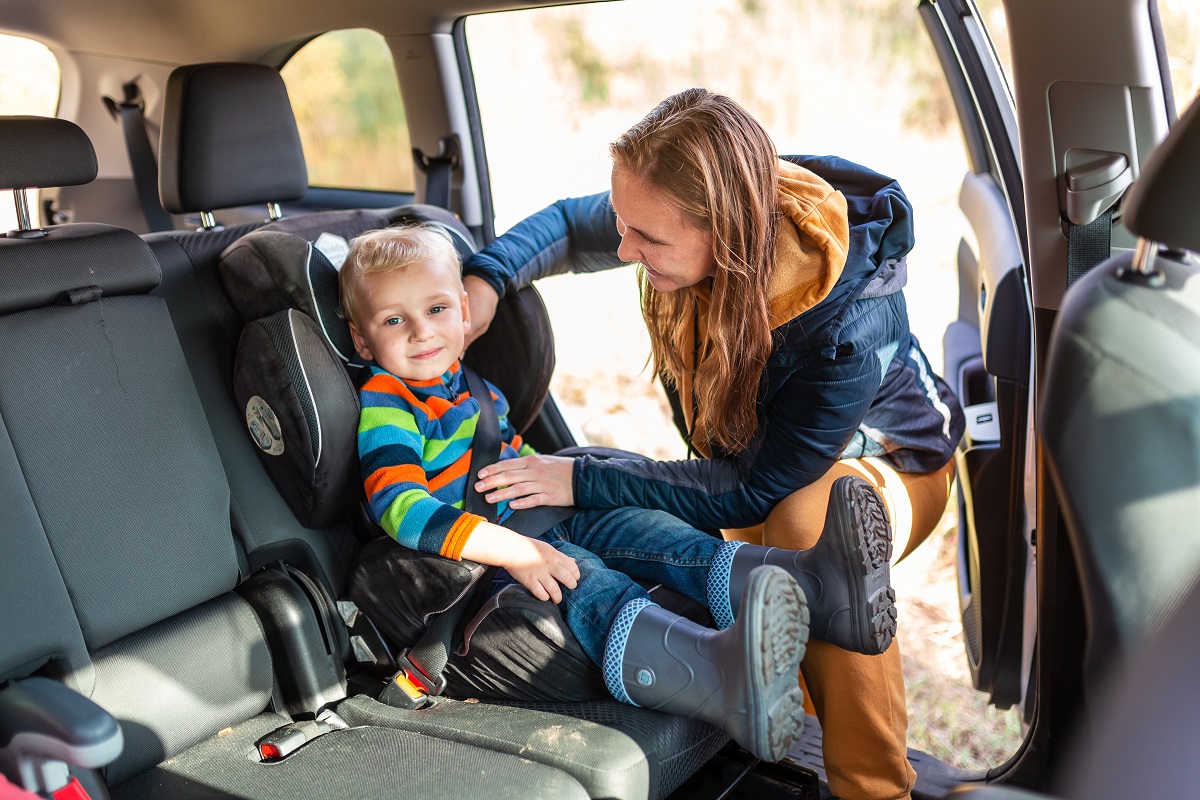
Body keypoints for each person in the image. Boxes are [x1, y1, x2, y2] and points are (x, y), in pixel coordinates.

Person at [463, 89, 966, 800]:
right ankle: (791, 749)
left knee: (804, 523)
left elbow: (751, 487)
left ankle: (873, 788)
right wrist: (486, 280)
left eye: (650, 241)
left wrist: (582, 483)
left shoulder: (847, 322)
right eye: (624, 223)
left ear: (725, 235)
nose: (624, 250)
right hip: (761, 472)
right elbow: (566, 229)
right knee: (649, 495)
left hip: (897, 467)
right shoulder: (678, 211)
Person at [340, 222, 898, 763]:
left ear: (464, 312)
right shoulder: (389, 400)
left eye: (436, 309)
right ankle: (719, 679)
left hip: (539, 516)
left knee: (653, 533)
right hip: (491, 552)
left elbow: (511, 459)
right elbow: (400, 507)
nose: (422, 331)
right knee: (589, 581)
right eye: (395, 320)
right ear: (364, 340)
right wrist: (515, 550)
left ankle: (818, 591)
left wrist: (563, 484)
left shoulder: (474, 387)